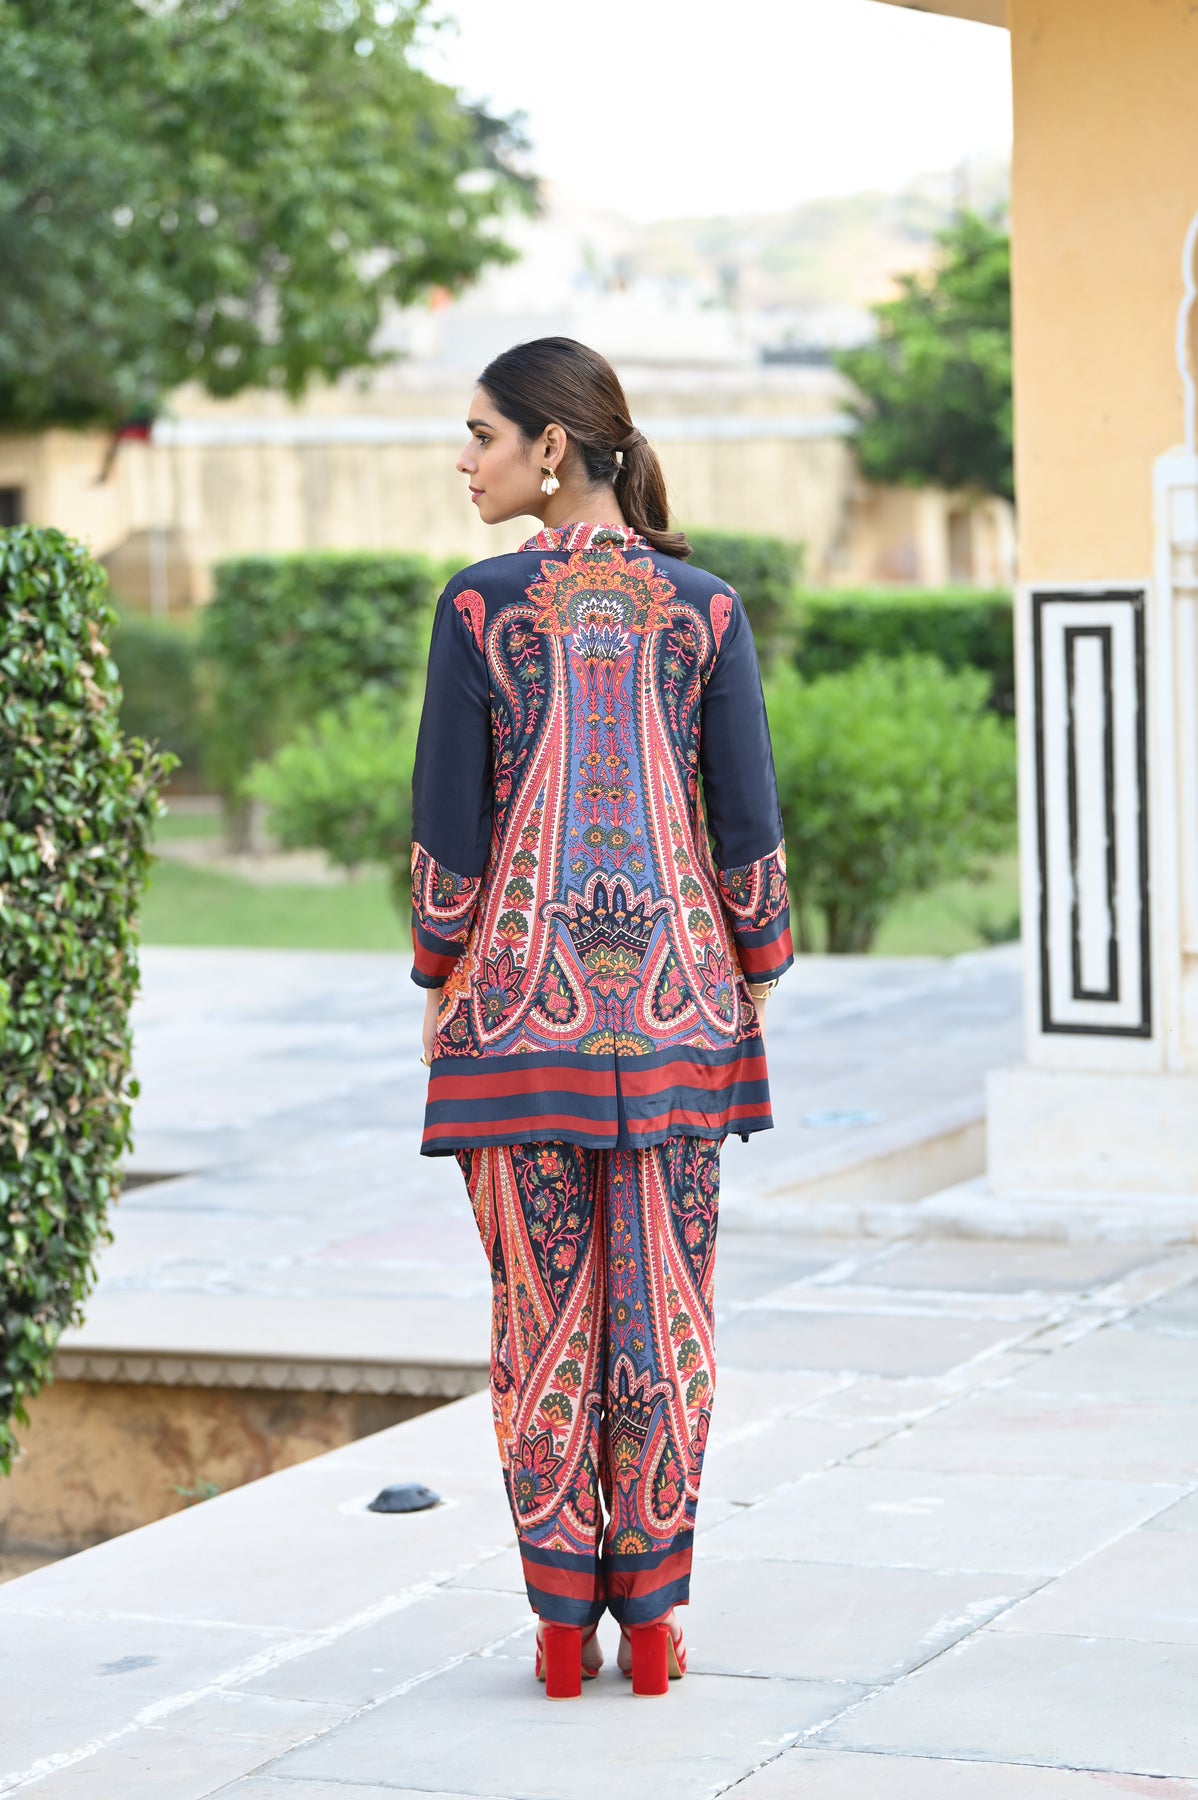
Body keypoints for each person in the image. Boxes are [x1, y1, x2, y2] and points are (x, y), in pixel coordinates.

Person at [409, 337, 792, 1699]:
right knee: (664, 1321)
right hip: (682, 1024)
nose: (465, 460)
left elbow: (448, 837)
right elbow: (749, 832)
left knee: (543, 1327)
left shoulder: (478, 608)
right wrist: (755, 960)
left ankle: (562, 1629)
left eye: (482, 435)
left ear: (552, 447)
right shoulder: (707, 609)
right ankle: (657, 1625)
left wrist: (439, 970)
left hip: (519, 1029)